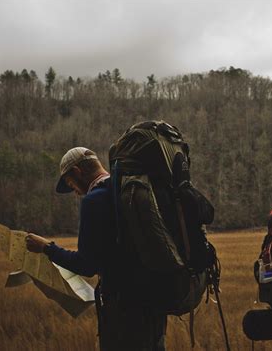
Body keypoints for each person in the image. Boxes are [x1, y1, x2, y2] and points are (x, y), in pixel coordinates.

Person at [25, 147, 167, 351]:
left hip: (123, 311)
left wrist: (46, 247)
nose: (74, 191)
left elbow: (86, 265)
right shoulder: (126, 190)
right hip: (154, 305)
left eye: (70, 183)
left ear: (77, 171)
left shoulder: (95, 200)